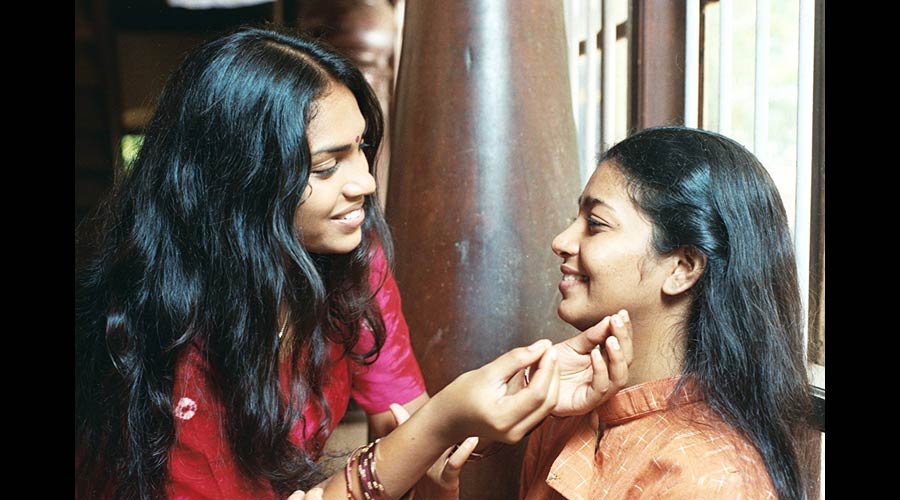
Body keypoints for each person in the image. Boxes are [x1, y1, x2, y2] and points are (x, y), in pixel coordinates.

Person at [75, 26, 631, 500]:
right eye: (326, 167)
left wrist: (531, 392)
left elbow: (409, 427)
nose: (364, 182)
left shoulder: (353, 261)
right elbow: (424, 433)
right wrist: (442, 422)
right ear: (239, 183)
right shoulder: (171, 340)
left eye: (361, 148)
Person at [519, 126, 817, 500]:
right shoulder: (570, 411)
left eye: (595, 224)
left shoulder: (713, 480)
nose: (560, 242)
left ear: (682, 267)